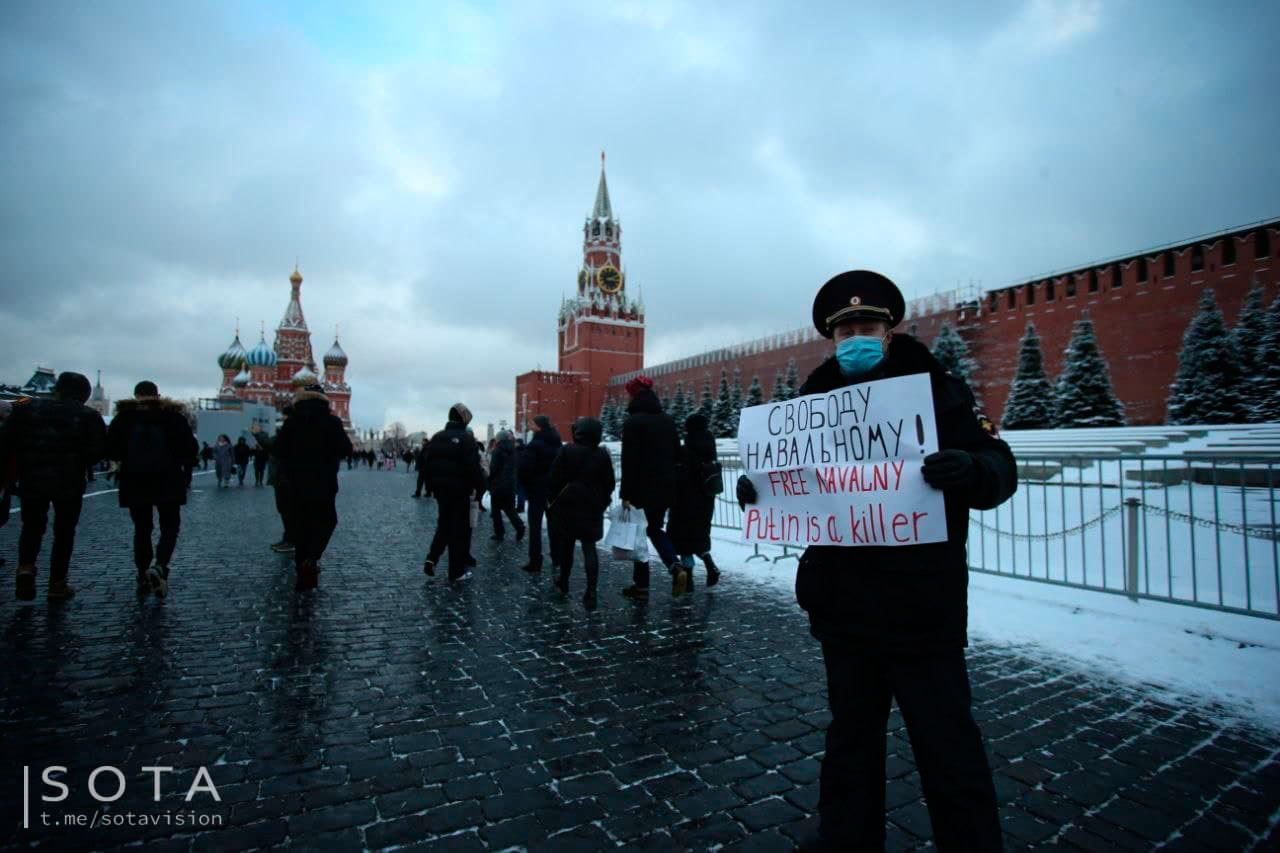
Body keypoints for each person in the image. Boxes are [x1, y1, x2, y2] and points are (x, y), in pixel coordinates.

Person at [737, 270, 1016, 852]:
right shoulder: (814, 402)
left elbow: (999, 466)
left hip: (922, 608)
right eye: (846, 331)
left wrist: (973, 469)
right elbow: (797, 482)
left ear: (890, 332)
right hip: (844, 609)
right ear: (832, 341)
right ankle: (846, 840)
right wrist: (760, 489)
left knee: (948, 747)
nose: (856, 337)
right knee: (850, 742)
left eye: (868, 326)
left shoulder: (938, 391)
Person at [0, 372, 106, 601]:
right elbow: (97, 451)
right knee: (64, 532)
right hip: (69, 481)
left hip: (32, 478)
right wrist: (79, 461)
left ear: (57, 389)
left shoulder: (26, 408)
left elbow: (6, 442)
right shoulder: (88, 415)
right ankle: (57, 584)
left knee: (31, 527)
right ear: (84, 394)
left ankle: (26, 567)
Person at [106, 380, 198, 597]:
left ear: (136, 395)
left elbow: (112, 450)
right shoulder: (173, 418)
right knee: (170, 526)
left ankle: (141, 573)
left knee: (142, 529)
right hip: (168, 480)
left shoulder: (124, 419)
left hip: (135, 481)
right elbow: (190, 449)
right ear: (158, 396)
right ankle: (160, 566)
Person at [273, 384, 353, 591]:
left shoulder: (291, 423)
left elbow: (278, 450)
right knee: (327, 521)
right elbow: (345, 449)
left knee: (301, 526)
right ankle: (312, 558)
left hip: (296, 484)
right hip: (323, 483)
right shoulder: (332, 422)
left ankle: (302, 570)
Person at [618, 376, 683, 600]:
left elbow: (630, 462)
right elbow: (677, 454)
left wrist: (625, 494)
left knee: (639, 536)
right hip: (665, 489)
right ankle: (675, 566)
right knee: (655, 529)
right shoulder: (667, 420)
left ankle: (642, 587)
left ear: (634, 396)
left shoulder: (633, 423)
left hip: (640, 491)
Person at [547, 416, 615, 608]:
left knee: (567, 547)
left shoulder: (567, 450)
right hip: (592, 506)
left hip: (567, 505)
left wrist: (553, 500)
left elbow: (554, 479)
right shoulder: (602, 454)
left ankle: (563, 583)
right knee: (589, 548)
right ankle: (591, 590)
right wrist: (602, 501)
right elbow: (609, 484)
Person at [421, 403, 484, 582]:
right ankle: (456, 571)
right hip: (460, 491)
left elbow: (426, 466)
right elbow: (474, 468)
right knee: (458, 530)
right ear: (463, 419)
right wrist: (479, 489)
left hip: (441, 492)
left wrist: (431, 487)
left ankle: (431, 559)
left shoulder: (437, 437)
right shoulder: (466, 439)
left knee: (444, 525)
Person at [667, 411, 721, 590]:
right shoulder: (709, 446)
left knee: (683, 541)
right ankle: (710, 564)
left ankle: (687, 580)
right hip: (706, 499)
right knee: (700, 535)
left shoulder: (686, 449)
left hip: (685, 502)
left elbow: (679, 476)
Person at [516, 415, 562, 574]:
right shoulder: (558, 444)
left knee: (535, 526)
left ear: (539, 427)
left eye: (532, 424)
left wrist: (528, 486)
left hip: (537, 489)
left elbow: (523, 469)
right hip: (554, 490)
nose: (530, 426)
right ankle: (557, 559)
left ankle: (535, 561)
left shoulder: (534, 445)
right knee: (553, 525)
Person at [253, 412, 293, 553]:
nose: (281, 419)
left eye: (284, 416)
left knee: (287, 510)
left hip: (284, 477)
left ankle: (291, 540)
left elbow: (271, 444)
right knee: (286, 510)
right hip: (285, 477)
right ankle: (289, 538)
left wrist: (259, 433)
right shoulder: (293, 431)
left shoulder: (290, 432)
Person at [487, 430, 524, 541]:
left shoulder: (497, 451)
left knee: (495, 510)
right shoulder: (513, 450)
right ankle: (519, 526)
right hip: (510, 484)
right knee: (510, 509)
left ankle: (499, 533)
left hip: (498, 485)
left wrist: (489, 480)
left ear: (498, 439)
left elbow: (493, 469)